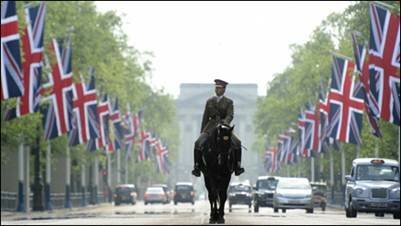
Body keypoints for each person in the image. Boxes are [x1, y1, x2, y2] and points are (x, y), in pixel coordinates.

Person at [192, 79, 245, 177]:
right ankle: (197, 166)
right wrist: (202, 131)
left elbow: (230, 115)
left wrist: (225, 123)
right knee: (197, 143)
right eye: (216, 88)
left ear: (224, 89)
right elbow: (205, 117)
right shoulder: (209, 101)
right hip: (210, 127)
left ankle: (238, 167)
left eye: (219, 88)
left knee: (238, 143)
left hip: (224, 127)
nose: (217, 90)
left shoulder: (229, 102)